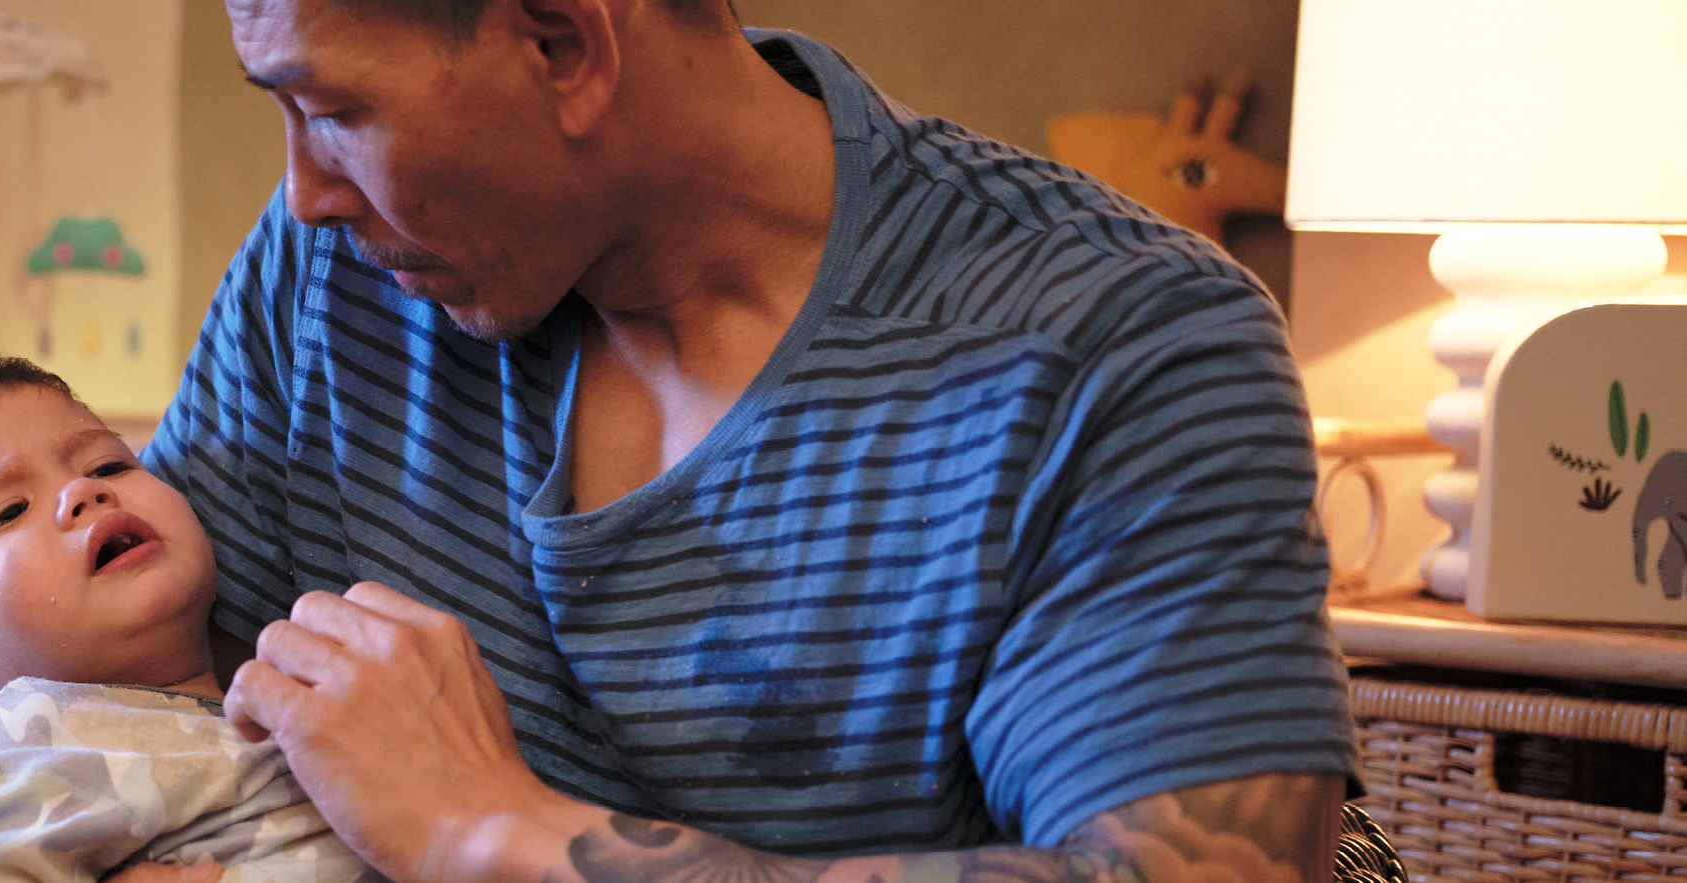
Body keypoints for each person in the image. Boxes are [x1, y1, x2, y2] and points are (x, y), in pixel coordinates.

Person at [136, 1, 1362, 882]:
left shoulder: (1112, 346)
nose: (306, 189)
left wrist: (483, 832)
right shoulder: (324, 283)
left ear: (564, 45)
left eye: (338, 109)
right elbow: (79, 699)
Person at [0, 351, 385, 883]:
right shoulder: (22, 744)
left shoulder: (278, 701)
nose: (83, 491)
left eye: (109, 465)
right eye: (8, 512)